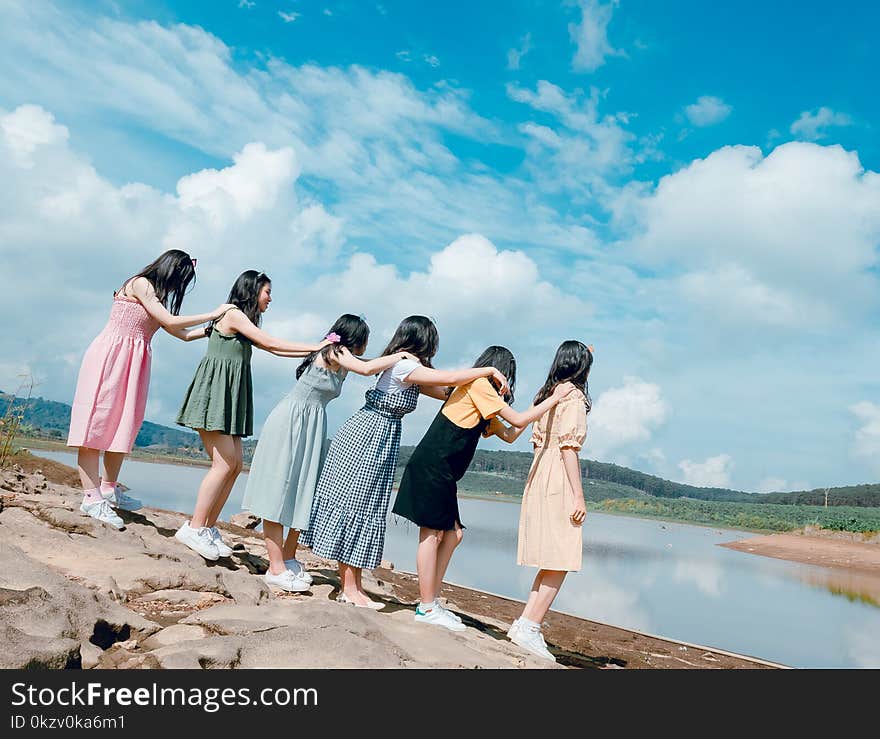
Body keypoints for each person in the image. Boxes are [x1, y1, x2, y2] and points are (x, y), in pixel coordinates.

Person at [301, 315, 509, 609]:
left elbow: (447, 393)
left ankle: (355, 586)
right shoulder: (405, 365)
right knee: (355, 505)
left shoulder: (409, 369)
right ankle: (349, 588)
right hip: (368, 435)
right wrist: (487, 369)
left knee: (365, 507)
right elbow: (449, 379)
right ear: (424, 341)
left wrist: (481, 395)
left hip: (380, 437)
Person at [392, 345, 574, 631]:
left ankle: (431, 601)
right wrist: (553, 400)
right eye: (507, 376)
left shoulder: (484, 399)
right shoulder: (478, 384)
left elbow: (511, 434)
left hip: (444, 472)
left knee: (453, 535)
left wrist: (537, 407)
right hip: (432, 465)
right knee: (432, 535)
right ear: (499, 370)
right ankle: (426, 606)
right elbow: (515, 419)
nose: (507, 383)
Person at [241, 313, 415, 593]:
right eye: (364, 340)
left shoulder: (345, 358)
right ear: (353, 338)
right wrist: (402, 356)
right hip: (292, 421)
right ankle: (275, 568)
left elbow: (367, 364)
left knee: (306, 492)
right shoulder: (334, 351)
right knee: (279, 491)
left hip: (313, 425)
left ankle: (287, 555)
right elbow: (367, 370)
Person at [67, 249, 231, 529]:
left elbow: (183, 334)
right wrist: (214, 312)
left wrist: (212, 328)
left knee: (123, 426)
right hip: (112, 356)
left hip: (135, 363)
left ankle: (108, 488)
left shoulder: (157, 298)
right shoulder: (141, 284)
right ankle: (92, 498)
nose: (179, 287)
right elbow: (170, 322)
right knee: (97, 425)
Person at [174, 270, 331, 561]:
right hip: (215, 393)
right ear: (252, 289)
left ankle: (207, 527)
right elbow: (271, 343)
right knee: (223, 465)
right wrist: (315, 346)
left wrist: (312, 354)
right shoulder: (233, 314)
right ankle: (194, 528)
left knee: (234, 465)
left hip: (229, 395)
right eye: (267, 292)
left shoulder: (243, 322)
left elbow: (276, 351)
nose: (270, 298)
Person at [507, 340, 593, 662]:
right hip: (557, 476)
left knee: (552, 558)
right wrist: (579, 495)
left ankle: (524, 623)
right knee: (562, 558)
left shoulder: (546, 394)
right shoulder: (574, 397)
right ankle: (530, 625)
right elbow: (569, 448)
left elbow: (538, 442)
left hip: (538, 474)